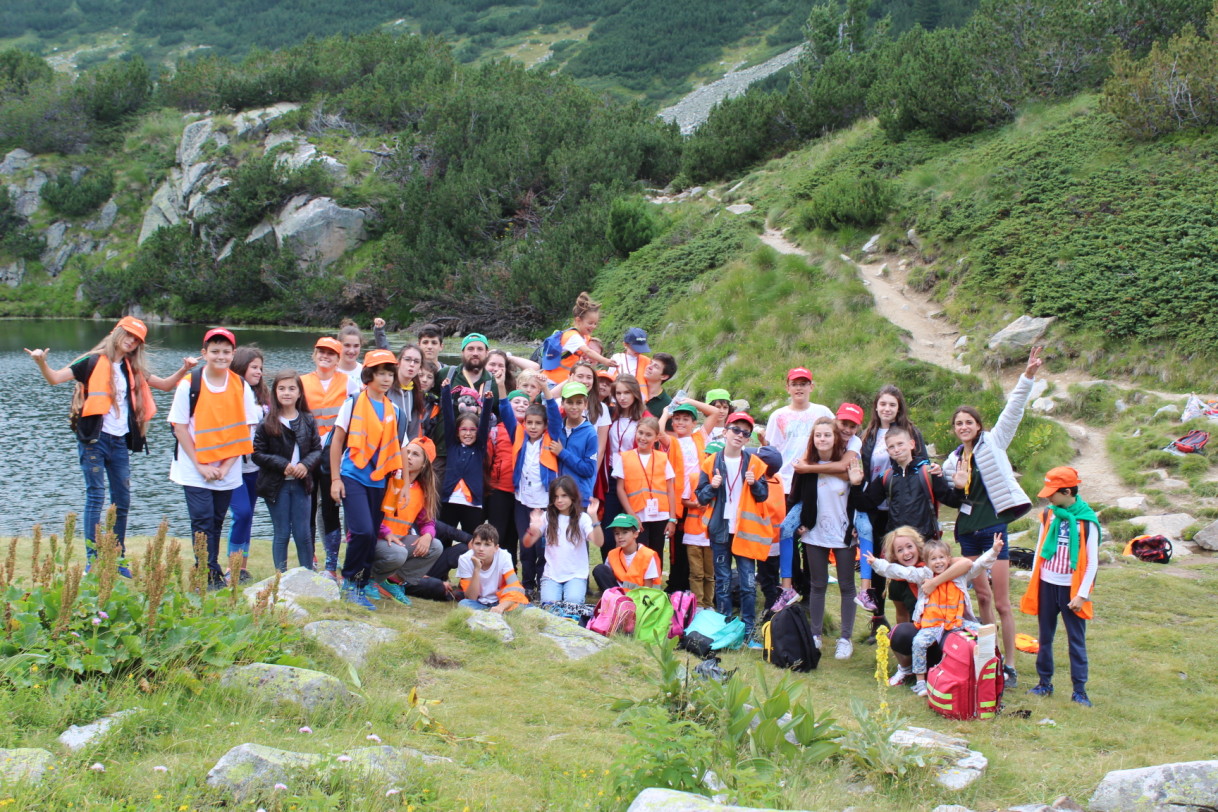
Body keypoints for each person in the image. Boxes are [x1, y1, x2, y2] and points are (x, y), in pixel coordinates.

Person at [24, 316, 195, 568]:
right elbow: (55, 378)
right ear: (116, 332)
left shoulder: (131, 368)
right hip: (94, 439)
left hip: (119, 443)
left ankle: (116, 558)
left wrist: (184, 368)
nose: (131, 342)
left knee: (122, 500)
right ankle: (94, 561)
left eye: (136, 340)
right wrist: (41, 362)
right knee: (95, 496)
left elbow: (167, 386)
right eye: (128, 335)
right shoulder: (90, 361)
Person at [942, 346, 1043, 686]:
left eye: (968, 422)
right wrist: (954, 486)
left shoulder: (994, 443)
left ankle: (1011, 665)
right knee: (981, 596)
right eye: (958, 423)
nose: (963, 427)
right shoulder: (951, 462)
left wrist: (1027, 376)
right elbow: (953, 500)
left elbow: (1013, 411)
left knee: (1001, 601)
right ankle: (990, 658)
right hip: (968, 533)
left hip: (994, 532)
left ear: (978, 425)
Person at [169, 328, 261, 589]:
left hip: (227, 467)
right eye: (215, 351)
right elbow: (180, 427)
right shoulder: (190, 383)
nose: (220, 356)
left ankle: (210, 569)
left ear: (233, 354)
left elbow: (246, 429)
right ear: (204, 353)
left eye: (225, 352)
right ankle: (207, 573)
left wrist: (225, 466)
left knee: (217, 520)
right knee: (202, 520)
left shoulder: (240, 385)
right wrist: (200, 464)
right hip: (193, 466)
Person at [867, 533, 1004, 696]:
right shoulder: (923, 575)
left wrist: (994, 550)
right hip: (932, 626)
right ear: (926, 562)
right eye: (933, 559)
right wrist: (877, 563)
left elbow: (979, 565)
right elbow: (899, 571)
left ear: (948, 558)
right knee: (918, 643)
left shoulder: (959, 575)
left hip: (956, 623)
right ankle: (920, 682)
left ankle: (995, 670)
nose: (938, 562)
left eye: (941, 558)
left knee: (985, 631)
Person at [848, 426, 958, 615]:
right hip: (899, 550)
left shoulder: (929, 471)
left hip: (925, 547)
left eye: (900, 444)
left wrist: (960, 486)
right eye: (891, 447)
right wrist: (856, 485)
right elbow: (866, 503)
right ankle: (903, 641)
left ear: (912, 444)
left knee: (928, 601)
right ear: (888, 451)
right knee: (900, 601)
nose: (897, 449)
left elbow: (950, 500)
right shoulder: (887, 477)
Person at [329, 349, 403, 609]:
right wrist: (335, 479)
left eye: (390, 374)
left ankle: (361, 585)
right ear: (369, 375)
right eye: (381, 373)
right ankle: (349, 581)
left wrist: (401, 486)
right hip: (352, 475)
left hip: (380, 480)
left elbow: (398, 449)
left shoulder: (393, 409)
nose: (386, 379)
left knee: (371, 537)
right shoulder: (352, 402)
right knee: (362, 531)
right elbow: (337, 441)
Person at [855, 385, 931, 637]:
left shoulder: (911, 432)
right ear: (876, 406)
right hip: (876, 504)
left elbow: (922, 465)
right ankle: (878, 617)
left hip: (904, 507)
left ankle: (917, 619)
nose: (887, 409)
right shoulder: (869, 434)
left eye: (892, 405)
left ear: (899, 408)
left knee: (909, 558)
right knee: (879, 560)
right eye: (883, 404)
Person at [1021, 466, 1099, 707]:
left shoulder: (1087, 522)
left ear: (1067, 491)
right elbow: (1040, 547)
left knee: (1076, 640)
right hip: (1046, 584)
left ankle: (1080, 690)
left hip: (1070, 590)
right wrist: (1034, 578)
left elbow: (1092, 562)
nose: (1048, 497)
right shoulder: (1049, 514)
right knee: (1045, 637)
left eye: (1052, 493)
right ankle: (1044, 683)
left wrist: (1082, 595)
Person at [696, 412, 769, 647]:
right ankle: (726, 628)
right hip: (720, 530)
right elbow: (700, 495)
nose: (740, 435)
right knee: (723, 581)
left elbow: (763, 495)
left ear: (749, 439)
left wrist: (754, 483)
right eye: (736, 430)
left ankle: (749, 633)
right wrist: (713, 487)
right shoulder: (711, 462)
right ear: (725, 431)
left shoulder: (755, 463)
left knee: (748, 582)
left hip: (745, 531)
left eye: (745, 433)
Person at [792, 416, 856, 659]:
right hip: (814, 531)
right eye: (818, 435)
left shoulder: (847, 464)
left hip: (843, 531)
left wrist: (856, 524)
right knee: (817, 585)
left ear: (836, 437)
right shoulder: (805, 466)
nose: (822, 439)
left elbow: (858, 493)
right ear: (813, 439)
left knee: (846, 585)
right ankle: (816, 635)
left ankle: (845, 638)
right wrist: (799, 524)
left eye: (827, 435)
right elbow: (796, 498)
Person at [880, 527, 975, 685]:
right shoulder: (897, 581)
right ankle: (906, 669)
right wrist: (902, 644)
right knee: (900, 632)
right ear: (894, 555)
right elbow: (901, 614)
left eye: (909, 547)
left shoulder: (935, 563)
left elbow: (966, 563)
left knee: (976, 628)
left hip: (950, 625)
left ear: (918, 546)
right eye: (900, 550)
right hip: (925, 630)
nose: (906, 553)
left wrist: (934, 582)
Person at [253, 370, 323, 573]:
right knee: (282, 532)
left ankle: (307, 574)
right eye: (281, 388)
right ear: (274, 392)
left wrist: (305, 465)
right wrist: (282, 464)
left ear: (300, 392)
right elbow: (257, 453)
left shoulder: (308, 420)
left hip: (302, 484)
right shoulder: (267, 423)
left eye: (292, 388)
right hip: (277, 485)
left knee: (303, 533)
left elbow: (317, 449)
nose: (287, 393)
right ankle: (280, 576)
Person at [302, 336, 360, 577]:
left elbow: (357, 420)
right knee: (306, 506)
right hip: (306, 454)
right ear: (314, 354)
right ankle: (309, 557)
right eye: (321, 352)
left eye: (331, 354)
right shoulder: (302, 382)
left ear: (338, 359)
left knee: (329, 507)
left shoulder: (349, 384)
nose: (325, 357)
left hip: (335, 456)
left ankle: (331, 564)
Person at [659, 398, 722, 593]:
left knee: (701, 544)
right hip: (680, 503)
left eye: (686, 419)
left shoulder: (700, 437)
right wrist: (666, 413)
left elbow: (714, 412)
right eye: (677, 419)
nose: (680, 423)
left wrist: (689, 401)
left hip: (702, 499)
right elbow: (659, 432)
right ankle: (676, 585)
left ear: (694, 423)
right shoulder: (672, 441)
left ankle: (700, 588)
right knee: (679, 547)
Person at [375, 436, 445, 605]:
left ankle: (391, 582)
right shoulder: (389, 478)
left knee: (435, 546)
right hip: (375, 538)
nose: (408, 457)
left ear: (424, 464)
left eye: (415, 454)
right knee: (398, 553)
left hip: (395, 542)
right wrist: (385, 532)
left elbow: (427, 522)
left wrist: (427, 535)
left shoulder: (422, 490)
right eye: (406, 452)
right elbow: (370, 513)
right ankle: (368, 579)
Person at [499, 393, 558, 595]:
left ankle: (543, 583)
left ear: (545, 426)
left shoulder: (552, 439)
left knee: (542, 547)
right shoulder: (519, 436)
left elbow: (556, 416)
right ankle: (527, 583)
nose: (532, 427)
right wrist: (500, 387)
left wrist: (546, 391)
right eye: (529, 422)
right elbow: (506, 412)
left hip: (544, 503)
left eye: (538, 423)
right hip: (523, 501)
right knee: (526, 546)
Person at [225, 345, 269, 584]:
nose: (259, 372)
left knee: (248, 515)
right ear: (240, 367)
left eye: (261, 368)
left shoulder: (262, 395)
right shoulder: (229, 392)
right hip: (232, 466)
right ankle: (231, 567)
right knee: (240, 513)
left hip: (255, 467)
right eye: (254, 367)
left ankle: (241, 567)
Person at [522, 477, 603, 604]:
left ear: (572, 496)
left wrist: (594, 518)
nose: (559, 500)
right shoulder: (547, 516)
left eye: (564, 496)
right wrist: (532, 528)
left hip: (576, 575)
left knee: (573, 601)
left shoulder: (583, 518)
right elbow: (527, 543)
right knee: (550, 606)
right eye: (556, 497)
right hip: (551, 575)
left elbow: (598, 542)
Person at [761, 367, 834, 494]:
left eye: (803, 384)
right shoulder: (778, 416)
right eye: (794, 384)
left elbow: (839, 437)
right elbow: (771, 449)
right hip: (785, 481)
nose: (799, 388)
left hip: (817, 479)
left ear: (811, 387)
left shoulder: (823, 412)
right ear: (787, 388)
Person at [614, 415, 677, 562]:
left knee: (656, 553)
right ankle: (638, 583)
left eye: (648, 435)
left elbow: (670, 489)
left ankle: (654, 584)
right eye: (640, 433)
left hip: (660, 515)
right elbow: (620, 489)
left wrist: (672, 518)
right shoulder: (625, 457)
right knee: (638, 554)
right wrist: (631, 515)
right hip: (637, 515)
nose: (643, 438)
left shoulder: (662, 458)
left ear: (656, 438)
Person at [439, 376, 495, 535]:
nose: (468, 433)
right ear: (457, 431)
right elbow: (448, 417)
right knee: (443, 538)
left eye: (472, 430)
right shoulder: (452, 445)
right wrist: (445, 391)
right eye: (464, 429)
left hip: (472, 504)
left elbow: (484, 425)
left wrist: (488, 402)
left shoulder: (479, 448)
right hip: (449, 501)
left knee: (471, 540)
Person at [487, 387, 530, 567]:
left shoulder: (533, 430)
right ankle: (492, 572)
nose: (521, 405)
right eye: (517, 402)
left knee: (514, 537)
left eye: (525, 403)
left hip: (522, 493)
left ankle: (510, 575)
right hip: (499, 490)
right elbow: (489, 457)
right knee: (498, 533)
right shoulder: (497, 430)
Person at [542, 292, 617, 385]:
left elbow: (593, 347)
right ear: (578, 320)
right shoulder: (573, 336)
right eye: (590, 323)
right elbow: (588, 351)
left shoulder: (585, 337)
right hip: (552, 382)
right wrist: (605, 361)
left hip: (564, 382)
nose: (593, 326)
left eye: (595, 323)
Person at [602, 374, 643, 540]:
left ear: (635, 393)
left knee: (634, 528)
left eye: (627, 392)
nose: (622, 397)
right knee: (609, 532)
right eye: (618, 393)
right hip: (611, 474)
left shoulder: (643, 418)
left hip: (634, 478)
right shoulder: (611, 414)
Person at [546, 380, 598, 509]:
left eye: (579, 402)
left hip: (579, 498)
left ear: (585, 404)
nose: (574, 407)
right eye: (569, 402)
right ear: (563, 403)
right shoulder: (558, 427)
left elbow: (589, 470)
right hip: (558, 497)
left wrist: (562, 453)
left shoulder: (590, 433)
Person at [457, 524, 529, 612]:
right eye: (477, 544)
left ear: (496, 548)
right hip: (478, 602)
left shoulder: (504, 556)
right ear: (472, 544)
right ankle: (492, 612)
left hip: (502, 600)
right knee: (464, 604)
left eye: (487, 545)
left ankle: (496, 611)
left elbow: (515, 587)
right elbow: (471, 597)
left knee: (525, 605)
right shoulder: (464, 559)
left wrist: (501, 607)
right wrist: (476, 569)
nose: (481, 549)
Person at [591, 514, 663, 592]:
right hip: (619, 596)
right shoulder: (612, 554)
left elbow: (649, 588)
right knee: (600, 570)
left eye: (625, 532)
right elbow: (607, 579)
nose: (620, 537)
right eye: (617, 533)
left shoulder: (648, 555)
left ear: (636, 534)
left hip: (641, 597)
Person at [385, 343, 426, 442]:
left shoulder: (416, 392)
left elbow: (413, 432)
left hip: (403, 449)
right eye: (407, 359)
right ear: (398, 362)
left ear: (420, 367)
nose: (412, 364)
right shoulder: (385, 386)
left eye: (416, 362)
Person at [609, 327, 651, 397]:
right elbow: (609, 379)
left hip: (640, 403)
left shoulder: (647, 361)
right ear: (625, 344)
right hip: (617, 402)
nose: (639, 351)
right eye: (635, 348)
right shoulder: (617, 358)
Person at [642, 353, 677, 417]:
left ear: (664, 376)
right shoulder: (634, 391)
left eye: (656, 366)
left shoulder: (667, 404)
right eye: (650, 363)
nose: (649, 367)